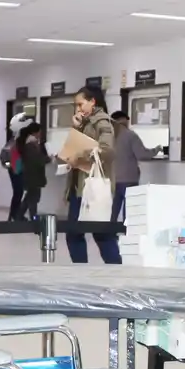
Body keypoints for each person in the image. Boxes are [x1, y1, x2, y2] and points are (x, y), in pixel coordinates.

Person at [64, 85, 120, 264]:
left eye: (80, 104)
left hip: (92, 187)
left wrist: (79, 155)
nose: (78, 109)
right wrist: (76, 128)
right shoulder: (84, 123)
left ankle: (116, 270)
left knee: (101, 235)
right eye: (76, 106)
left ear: (92, 102)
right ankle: (83, 271)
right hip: (78, 187)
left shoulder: (102, 122)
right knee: (75, 233)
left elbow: (107, 151)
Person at [109, 110, 159, 221]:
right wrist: (157, 149)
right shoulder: (130, 135)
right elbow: (142, 154)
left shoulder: (108, 137)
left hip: (112, 179)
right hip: (129, 179)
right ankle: (128, 234)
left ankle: (109, 233)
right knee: (129, 211)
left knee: (113, 210)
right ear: (124, 121)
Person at [2, 112, 32, 221]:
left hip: (16, 166)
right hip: (17, 167)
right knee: (19, 191)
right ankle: (14, 215)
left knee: (18, 192)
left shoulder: (16, 138)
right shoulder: (17, 138)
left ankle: (14, 215)